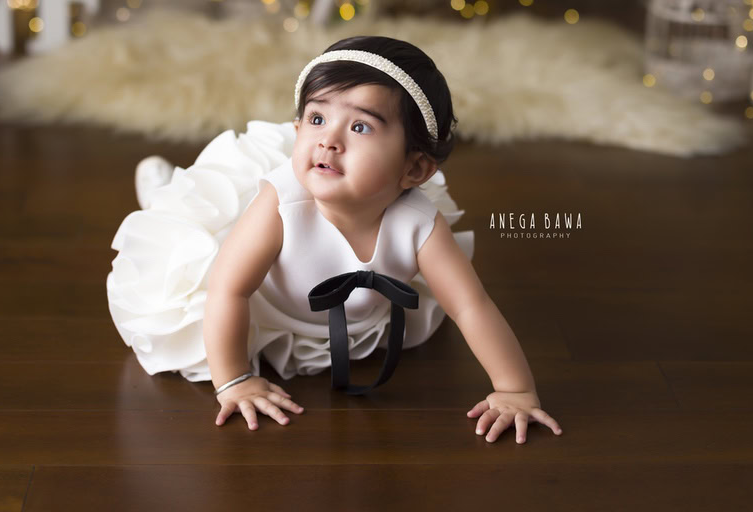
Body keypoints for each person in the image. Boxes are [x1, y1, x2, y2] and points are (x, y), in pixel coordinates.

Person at [107, 35, 562, 444]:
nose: (328, 141)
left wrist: (515, 389)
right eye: (317, 118)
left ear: (415, 168)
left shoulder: (419, 224)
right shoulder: (281, 202)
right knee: (190, 238)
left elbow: (471, 306)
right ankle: (166, 192)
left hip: (343, 321)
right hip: (259, 307)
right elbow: (229, 288)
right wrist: (234, 380)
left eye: (360, 127)